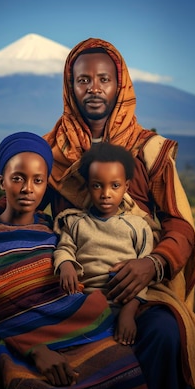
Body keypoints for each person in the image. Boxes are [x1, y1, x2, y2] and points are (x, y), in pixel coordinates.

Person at [0, 38, 195, 389]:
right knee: (15, 326)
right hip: (70, 286)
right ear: (69, 87)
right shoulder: (51, 150)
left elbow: (180, 224)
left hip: (139, 284)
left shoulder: (150, 151)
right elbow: (26, 196)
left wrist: (152, 263)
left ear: (120, 85)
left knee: (161, 331)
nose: (93, 88)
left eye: (103, 79)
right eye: (83, 80)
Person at [0, 131, 155, 389]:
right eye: (18, 178)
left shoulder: (50, 231)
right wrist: (36, 350)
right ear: (2, 181)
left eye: (39, 180)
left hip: (72, 330)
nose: (28, 188)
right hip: (13, 342)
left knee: (121, 364)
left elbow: (62, 297)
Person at [54, 142, 158, 347]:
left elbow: (145, 276)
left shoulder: (137, 226)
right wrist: (65, 264)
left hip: (124, 303)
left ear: (126, 186)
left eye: (115, 185)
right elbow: (64, 248)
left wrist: (128, 313)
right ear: (88, 186)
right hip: (82, 302)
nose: (106, 193)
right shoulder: (75, 222)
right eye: (97, 185)